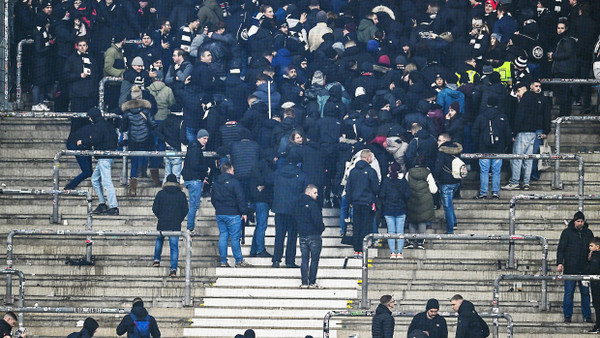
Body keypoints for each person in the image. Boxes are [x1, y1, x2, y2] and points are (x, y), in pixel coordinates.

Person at [79, 108, 119, 216]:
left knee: (106, 182)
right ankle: (102, 203)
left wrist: (83, 141)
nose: (90, 119)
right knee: (95, 179)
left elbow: (95, 140)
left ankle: (114, 206)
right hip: (109, 155)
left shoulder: (97, 126)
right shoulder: (108, 125)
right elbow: (115, 138)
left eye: (90, 117)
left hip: (103, 156)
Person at [211, 162, 252, 268]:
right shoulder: (235, 182)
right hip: (233, 213)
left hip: (220, 213)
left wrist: (218, 208)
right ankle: (238, 260)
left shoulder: (216, 183)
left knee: (223, 236)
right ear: (229, 170)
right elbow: (240, 198)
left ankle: (223, 261)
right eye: (233, 170)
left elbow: (213, 199)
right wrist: (244, 212)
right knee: (234, 237)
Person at [271, 150, 307, 268]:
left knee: (279, 235)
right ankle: (289, 261)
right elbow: (304, 194)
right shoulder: (301, 175)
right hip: (294, 210)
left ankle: (276, 260)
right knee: (292, 236)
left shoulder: (278, 172)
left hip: (280, 208)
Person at [557, 211, 594, 323]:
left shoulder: (588, 233)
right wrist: (559, 263)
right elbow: (561, 249)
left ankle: (587, 316)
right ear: (574, 221)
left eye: (582, 221)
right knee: (569, 293)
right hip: (570, 269)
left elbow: (593, 247)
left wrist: (592, 255)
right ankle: (567, 316)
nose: (580, 223)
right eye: (578, 221)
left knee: (586, 293)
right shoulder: (566, 233)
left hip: (584, 269)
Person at [471, 96, 511, 199]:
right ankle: (495, 192)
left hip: (483, 149)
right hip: (498, 148)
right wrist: (505, 146)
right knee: (496, 171)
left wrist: (479, 144)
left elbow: (474, 132)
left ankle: (483, 192)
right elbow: (507, 133)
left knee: (484, 171)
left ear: (487, 103)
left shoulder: (481, 116)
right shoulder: (502, 116)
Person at [345, 149, 379, 258]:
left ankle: (356, 250)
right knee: (366, 226)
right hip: (367, 203)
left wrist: (350, 201)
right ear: (368, 158)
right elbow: (375, 188)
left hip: (356, 203)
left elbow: (348, 188)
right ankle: (363, 249)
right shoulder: (371, 171)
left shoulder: (353, 171)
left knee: (357, 226)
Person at [152, 174, 188, 277]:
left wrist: (160, 216)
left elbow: (155, 208)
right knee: (174, 247)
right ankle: (173, 269)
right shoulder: (181, 194)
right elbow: (185, 209)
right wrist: (179, 219)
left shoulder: (161, 194)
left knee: (159, 241)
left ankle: (157, 260)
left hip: (162, 222)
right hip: (175, 224)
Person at [379, 163, 410, 259]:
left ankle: (392, 252)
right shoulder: (403, 181)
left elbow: (382, 195)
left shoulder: (386, 180)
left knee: (391, 231)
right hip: (401, 209)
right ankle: (399, 252)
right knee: (400, 231)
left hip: (388, 209)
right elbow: (407, 195)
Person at [296, 184, 324, 288]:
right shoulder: (313, 205)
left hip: (302, 235)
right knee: (314, 259)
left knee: (304, 259)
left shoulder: (298, 204)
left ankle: (304, 282)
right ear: (308, 192)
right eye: (315, 192)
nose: (317, 195)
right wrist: (321, 229)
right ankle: (312, 281)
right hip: (314, 235)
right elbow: (317, 220)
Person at [406, 156, 437, 249]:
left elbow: (405, 186)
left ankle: (411, 241)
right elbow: (433, 190)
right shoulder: (427, 173)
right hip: (424, 201)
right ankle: (420, 242)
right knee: (422, 221)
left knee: (411, 221)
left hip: (411, 199)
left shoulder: (409, 172)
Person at [433, 133, 462, 234]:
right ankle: (453, 223)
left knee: (447, 206)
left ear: (445, 141)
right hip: (456, 181)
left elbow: (438, 167)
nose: (438, 142)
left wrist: (435, 178)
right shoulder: (457, 151)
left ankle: (450, 230)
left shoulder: (442, 152)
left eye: (440, 140)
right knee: (449, 203)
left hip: (445, 182)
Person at [181, 129, 210, 232]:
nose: (206, 141)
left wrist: (202, 178)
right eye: (204, 138)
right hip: (193, 180)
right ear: (199, 138)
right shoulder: (195, 149)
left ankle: (190, 227)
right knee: (194, 205)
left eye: (207, 139)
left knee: (194, 204)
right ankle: (190, 228)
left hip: (192, 179)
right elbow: (195, 165)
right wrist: (205, 169)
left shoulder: (193, 147)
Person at [586, 237, 600, 333]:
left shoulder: (595, 256)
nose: (589, 248)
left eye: (591, 246)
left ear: (597, 247)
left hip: (596, 283)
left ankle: (598, 326)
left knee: (597, 304)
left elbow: (593, 268)